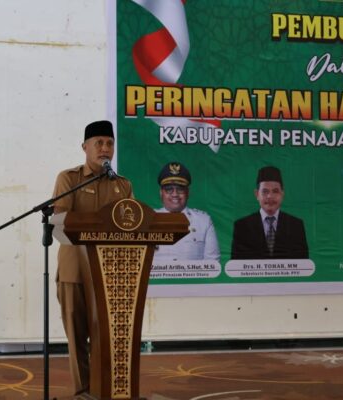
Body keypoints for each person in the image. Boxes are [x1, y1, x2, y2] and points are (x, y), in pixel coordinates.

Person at [52, 120, 133, 395]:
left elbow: (133, 226)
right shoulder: (69, 179)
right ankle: (82, 392)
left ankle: (105, 390)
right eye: (98, 143)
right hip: (74, 271)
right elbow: (61, 222)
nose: (105, 148)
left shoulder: (123, 185)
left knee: (107, 338)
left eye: (109, 143)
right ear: (84, 147)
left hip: (110, 275)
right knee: (77, 338)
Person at [230, 166, 309, 259]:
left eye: (275, 191)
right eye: (265, 191)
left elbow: (303, 262)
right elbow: (237, 263)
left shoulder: (296, 226)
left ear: (282, 194)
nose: (270, 196)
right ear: (257, 194)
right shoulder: (242, 227)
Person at [153, 162, 220, 262]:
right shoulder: (147, 220)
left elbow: (212, 263)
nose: (175, 194)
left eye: (180, 189)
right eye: (169, 189)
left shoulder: (203, 221)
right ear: (161, 193)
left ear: (187, 192)